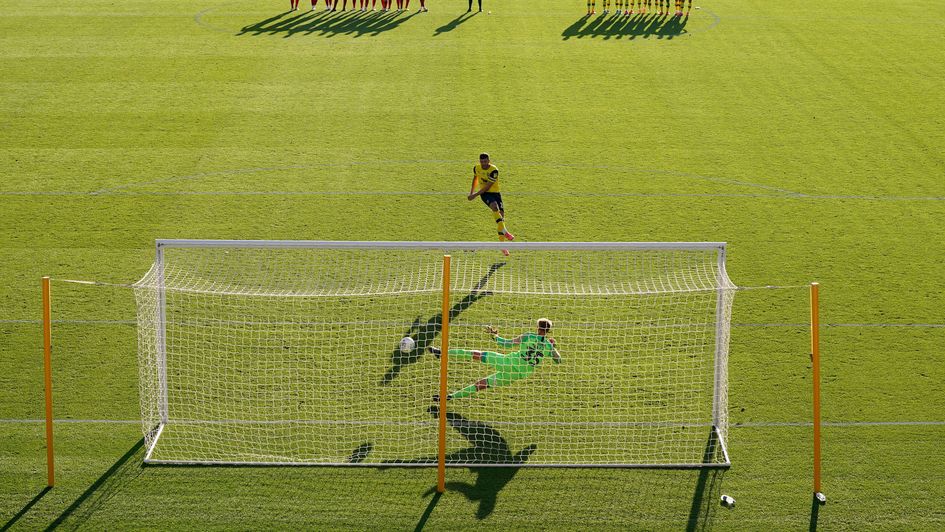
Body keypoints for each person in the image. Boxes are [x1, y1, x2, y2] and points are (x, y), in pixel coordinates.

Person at [429, 319, 561, 402]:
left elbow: (506, 344)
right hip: (517, 375)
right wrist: (553, 347)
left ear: (538, 327)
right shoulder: (548, 346)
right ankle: (449, 397)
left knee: (476, 354)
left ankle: (441, 353)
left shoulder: (528, 336)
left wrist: (495, 336)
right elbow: (558, 360)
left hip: (507, 363)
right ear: (548, 331)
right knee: (481, 384)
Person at [468, 153, 515, 256]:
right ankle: (505, 232)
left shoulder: (494, 171)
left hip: (495, 193)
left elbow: (487, 187)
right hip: (485, 194)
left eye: (485, 161)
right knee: (494, 206)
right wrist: (471, 192)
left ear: (489, 161)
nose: (483, 163)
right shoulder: (476, 168)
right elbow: (475, 178)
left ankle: (502, 246)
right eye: (481, 161)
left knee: (501, 219)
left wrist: (474, 195)